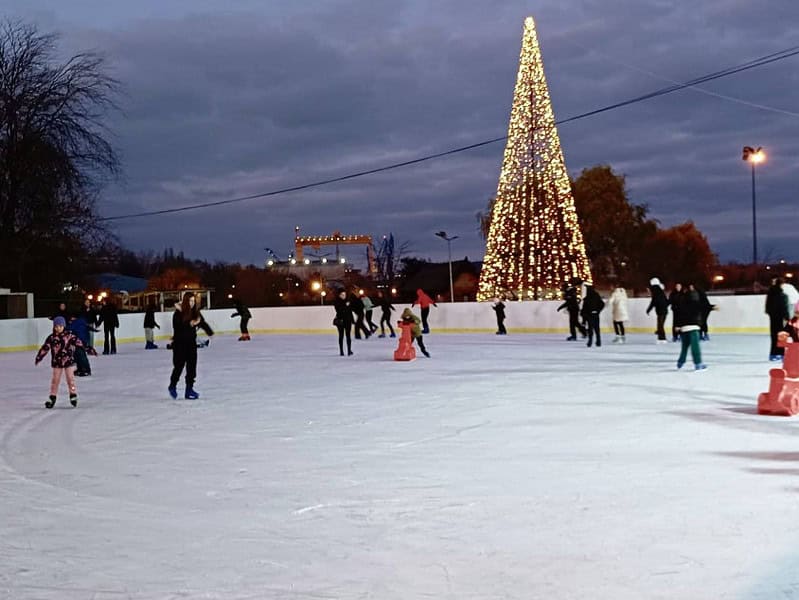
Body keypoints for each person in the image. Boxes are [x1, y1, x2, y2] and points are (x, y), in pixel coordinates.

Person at [168, 292, 214, 399]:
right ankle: (172, 385)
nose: (192, 303)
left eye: (193, 301)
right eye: (190, 301)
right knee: (179, 367)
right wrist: (190, 323)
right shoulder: (178, 313)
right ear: (185, 301)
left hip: (191, 344)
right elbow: (177, 328)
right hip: (179, 345)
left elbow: (202, 322)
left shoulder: (195, 313)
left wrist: (209, 332)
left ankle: (189, 390)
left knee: (192, 367)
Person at [35, 316, 85, 408]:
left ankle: (73, 394)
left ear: (64, 326)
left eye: (60, 326)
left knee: (70, 379)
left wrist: (89, 349)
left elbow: (79, 343)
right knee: (55, 380)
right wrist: (39, 357)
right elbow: (45, 348)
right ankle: (52, 397)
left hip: (68, 361)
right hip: (57, 362)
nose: (58, 328)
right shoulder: (52, 338)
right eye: (56, 326)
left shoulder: (69, 336)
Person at [675, 283, 707, 371]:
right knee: (695, 347)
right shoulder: (696, 304)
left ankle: (680, 362)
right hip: (693, 328)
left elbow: (678, 316)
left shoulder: (682, 305)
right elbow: (705, 308)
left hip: (684, 329)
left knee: (684, 347)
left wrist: (678, 325)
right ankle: (698, 363)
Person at [765, 277, 789, 361]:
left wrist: (770, 313)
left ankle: (773, 354)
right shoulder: (783, 295)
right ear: (781, 284)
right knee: (781, 335)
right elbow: (784, 308)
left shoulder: (770, 293)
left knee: (774, 335)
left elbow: (767, 307)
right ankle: (781, 354)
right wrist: (787, 317)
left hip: (773, 317)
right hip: (780, 318)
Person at [580, 283, 605, 348]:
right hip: (595, 314)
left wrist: (583, 316)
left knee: (591, 328)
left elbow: (584, 308)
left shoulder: (587, 298)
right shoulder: (596, 295)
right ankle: (598, 341)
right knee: (596, 328)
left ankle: (590, 341)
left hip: (589, 315)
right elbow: (602, 304)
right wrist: (598, 311)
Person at [646, 277, 670, 343]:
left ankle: (662, 338)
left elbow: (653, 302)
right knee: (660, 325)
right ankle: (661, 337)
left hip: (661, 311)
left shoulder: (656, 293)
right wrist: (665, 306)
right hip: (664, 311)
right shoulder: (661, 292)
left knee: (660, 325)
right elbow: (667, 301)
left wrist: (648, 309)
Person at [333, 290, 354, 356]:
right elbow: (339, 310)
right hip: (341, 321)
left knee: (348, 336)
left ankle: (349, 350)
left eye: (344, 295)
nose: (343, 296)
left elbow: (350, 311)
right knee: (341, 336)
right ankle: (341, 351)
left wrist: (352, 320)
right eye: (342, 295)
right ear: (339, 295)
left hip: (348, 320)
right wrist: (345, 305)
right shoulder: (337, 302)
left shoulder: (348, 301)